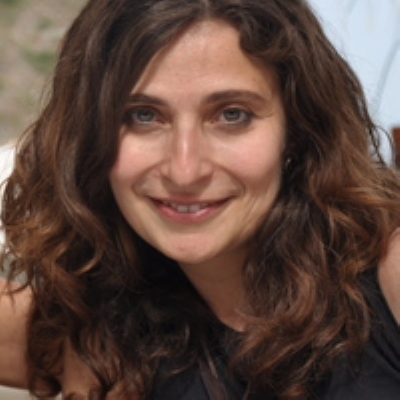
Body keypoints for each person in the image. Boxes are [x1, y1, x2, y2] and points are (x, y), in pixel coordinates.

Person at [0, 0, 399, 398]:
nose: (185, 170)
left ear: (297, 130)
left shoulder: (389, 272)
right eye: (143, 115)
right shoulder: (99, 335)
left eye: (232, 115)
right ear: (88, 139)